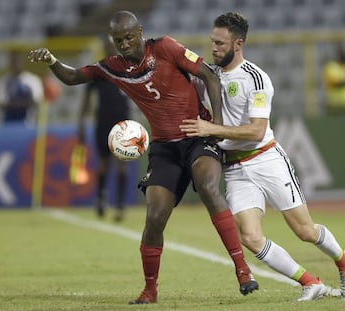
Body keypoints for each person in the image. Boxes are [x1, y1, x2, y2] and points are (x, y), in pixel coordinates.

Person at [28, 10, 258, 304]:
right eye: (118, 39)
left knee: (209, 188)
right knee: (154, 217)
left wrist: (217, 124)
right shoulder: (112, 68)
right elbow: (73, 77)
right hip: (164, 149)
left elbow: (209, 75)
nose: (124, 44)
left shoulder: (165, 47)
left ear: (140, 32)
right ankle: (150, 290)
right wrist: (51, 61)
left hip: (198, 137)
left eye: (128, 37)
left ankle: (242, 270)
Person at [180, 12, 345, 301]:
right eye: (212, 42)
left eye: (220, 43)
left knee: (305, 230)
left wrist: (211, 128)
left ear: (238, 44)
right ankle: (310, 281)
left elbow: (256, 130)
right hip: (235, 168)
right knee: (250, 237)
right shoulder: (209, 76)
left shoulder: (256, 78)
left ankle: (344, 261)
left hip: (266, 159)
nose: (213, 48)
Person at [77, 35, 131, 221]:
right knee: (104, 163)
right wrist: (82, 122)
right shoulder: (98, 70)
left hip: (124, 124)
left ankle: (121, 205)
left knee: (122, 163)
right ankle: (101, 198)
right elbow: (86, 100)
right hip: (104, 122)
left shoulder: (128, 68)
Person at [0, 50, 44, 124]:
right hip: (7, 122)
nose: (15, 64)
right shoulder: (4, 80)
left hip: (28, 121)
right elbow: (1, 103)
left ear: (22, 62)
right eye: (13, 61)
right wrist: (22, 103)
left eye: (18, 61)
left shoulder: (32, 80)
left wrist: (14, 103)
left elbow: (36, 101)